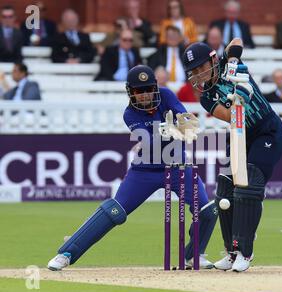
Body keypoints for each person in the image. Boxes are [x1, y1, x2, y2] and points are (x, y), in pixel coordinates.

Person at [47, 65, 217, 271]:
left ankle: (193, 255)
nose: (145, 95)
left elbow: (185, 118)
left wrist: (183, 124)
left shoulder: (166, 95)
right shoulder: (130, 114)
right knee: (114, 211)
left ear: (155, 87)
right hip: (144, 171)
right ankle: (67, 253)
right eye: (139, 91)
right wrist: (164, 133)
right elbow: (148, 143)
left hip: (178, 167)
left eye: (148, 89)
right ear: (131, 92)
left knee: (207, 209)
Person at [182, 40, 282, 272]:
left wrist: (233, 61)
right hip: (239, 135)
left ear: (213, 60)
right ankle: (231, 252)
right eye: (194, 71)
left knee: (249, 184)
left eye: (202, 67)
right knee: (225, 189)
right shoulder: (207, 98)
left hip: (266, 131)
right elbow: (231, 116)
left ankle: (245, 252)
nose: (199, 74)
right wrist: (238, 97)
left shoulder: (230, 66)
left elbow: (236, 42)